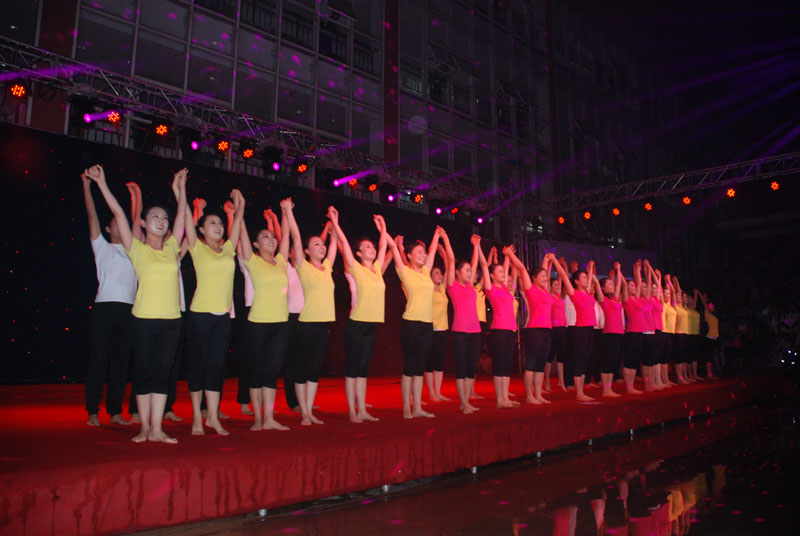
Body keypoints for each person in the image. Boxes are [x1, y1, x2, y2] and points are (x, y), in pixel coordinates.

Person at [86, 164, 187, 444]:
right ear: (142, 223)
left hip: (171, 322)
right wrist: (101, 183)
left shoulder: (172, 247)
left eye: (163, 218)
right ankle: (144, 428)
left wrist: (180, 190)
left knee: (162, 373)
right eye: (154, 216)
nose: (161, 220)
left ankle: (157, 428)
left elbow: (182, 217)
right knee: (143, 373)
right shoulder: (136, 249)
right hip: (143, 320)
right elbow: (119, 213)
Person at [183, 188, 244, 435]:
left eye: (220, 223)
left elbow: (237, 223)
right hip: (200, 315)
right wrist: (181, 191)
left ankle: (212, 417)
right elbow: (186, 220)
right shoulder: (197, 248)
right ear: (201, 229)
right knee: (198, 365)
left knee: (216, 367)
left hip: (223, 318)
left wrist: (240, 203)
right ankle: (197, 417)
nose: (218, 226)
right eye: (212, 223)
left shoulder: (228, 249)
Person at [81, 169, 137, 426]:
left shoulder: (135, 250)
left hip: (129, 311)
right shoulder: (101, 246)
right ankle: (92, 411)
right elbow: (92, 214)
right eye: (115, 221)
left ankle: (115, 412)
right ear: (107, 228)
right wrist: (86, 186)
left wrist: (135, 198)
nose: (119, 223)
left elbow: (134, 220)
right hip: (104, 309)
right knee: (98, 361)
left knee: (121, 363)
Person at [238, 197, 295, 430]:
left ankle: (269, 418)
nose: (271, 239)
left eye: (272, 237)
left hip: (280, 324)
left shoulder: (281, 261)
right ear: (255, 244)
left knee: (271, 372)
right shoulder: (252, 261)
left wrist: (285, 211)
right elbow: (240, 233)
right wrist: (239, 207)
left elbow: (287, 236)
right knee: (256, 371)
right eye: (265, 237)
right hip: (258, 324)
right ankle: (258, 419)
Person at [329, 213, 389, 423]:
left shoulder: (377, 270)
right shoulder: (353, 268)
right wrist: (335, 222)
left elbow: (383, 246)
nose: (372, 249)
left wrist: (383, 227)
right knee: (353, 368)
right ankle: (352, 412)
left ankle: (362, 409)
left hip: (372, 325)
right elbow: (344, 244)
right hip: (356, 324)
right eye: (366, 247)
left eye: (372, 246)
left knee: (363, 369)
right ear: (358, 253)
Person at [288, 205, 339, 425]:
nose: (322, 246)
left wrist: (334, 219)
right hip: (306, 324)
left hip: (323, 325)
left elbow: (335, 241)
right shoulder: (303, 266)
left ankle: (309, 410)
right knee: (302, 369)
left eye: (322, 243)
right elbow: (296, 237)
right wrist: (289, 212)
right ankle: (304, 414)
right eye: (316, 244)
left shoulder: (327, 267)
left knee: (314, 369)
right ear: (306, 251)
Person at [386, 227, 442, 418]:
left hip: (427, 325)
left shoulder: (426, 272)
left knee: (420, 367)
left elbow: (432, 251)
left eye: (423, 252)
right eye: (419, 252)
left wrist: (436, 235)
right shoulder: (404, 271)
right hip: (411, 323)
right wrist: (384, 230)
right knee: (409, 366)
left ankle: (417, 407)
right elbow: (394, 248)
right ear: (409, 256)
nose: (423, 255)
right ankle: (406, 407)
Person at [443, 233, 482, 414]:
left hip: (475, 331)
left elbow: (475, 263)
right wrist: (445, 238)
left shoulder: (470, 287)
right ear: (457, 272)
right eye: (465, 270)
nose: (469, 272)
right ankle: (463, 402)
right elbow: (451, 261)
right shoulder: (453, 286)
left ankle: (467, 401)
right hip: (460, 331)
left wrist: (476, 246)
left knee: (471, 367)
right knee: (461, 366)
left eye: (469, 271)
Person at [479, 244, 519, 408]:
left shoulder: (505, 288)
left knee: (507, 365)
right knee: (500, 364)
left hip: (510, 330)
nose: (503, 274)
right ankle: (500, 399)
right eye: (500, 272)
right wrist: (478, 247)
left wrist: (507, 255)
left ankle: (505, 398)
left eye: (504, 271)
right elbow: (484, 265)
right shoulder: (490, 288)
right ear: (492, 275)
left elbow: (509, 270)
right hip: (498, 331)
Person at [563, 261, 602, 401]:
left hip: (591, 329)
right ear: (576, 281)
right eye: (583, 278)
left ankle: (581, 391)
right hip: (580, 330)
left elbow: (590, 280)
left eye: (587, 278)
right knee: (579, 359)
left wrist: (590, 269)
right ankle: (579, 392)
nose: (586, 280)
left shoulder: (587, 293)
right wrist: (556, 262)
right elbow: (564, 277)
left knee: (585, 359)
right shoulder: (574, 293)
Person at [425, 244, 451, 402]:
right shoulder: (427, 288)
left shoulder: (442, 288)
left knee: (440, 362)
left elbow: (449, 268)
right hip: (431, 329)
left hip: (442, 329)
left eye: (440, 273)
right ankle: (431, 393)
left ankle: (438, 392)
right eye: (436, 273)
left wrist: (443, 254)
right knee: (430, 362)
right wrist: (433, 251)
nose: (440, 275)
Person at [597, 262, 624, 397]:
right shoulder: (603, 300)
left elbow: (619, 284)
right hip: (608, 333)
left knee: (613, 361)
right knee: (607, 362)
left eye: (612, 284)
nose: (612, 286)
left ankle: (609, 388)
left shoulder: (615, 300)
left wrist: (618, 270)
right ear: (603, 288)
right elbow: (597, 287)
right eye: (609, 284)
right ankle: (605, 389)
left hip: (618, 333)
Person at [621, 261, 648, 395]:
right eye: (631, 285)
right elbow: (624, 285)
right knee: (629, 361)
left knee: (635, 361)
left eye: (634, 285)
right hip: (631, 333)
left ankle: (631, 385)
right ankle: (628, 387)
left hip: (640, 333)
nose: (635, 287)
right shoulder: (627, 299)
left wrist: (637, 270)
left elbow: (639, 283)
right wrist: (620, 271)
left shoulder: (637, 299)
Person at [545, 258, 569, 392]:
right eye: (555, 285)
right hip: (553, 328)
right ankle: (547, 381)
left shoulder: (560, 297)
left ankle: (561, 381)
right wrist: (549, 265)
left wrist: (562, 265)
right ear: (550, 287)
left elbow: (562, 277)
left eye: (558, 285)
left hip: (562, 328)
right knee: (550, 356)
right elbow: (548, 279)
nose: (557, 286)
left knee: (561, 356)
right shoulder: (549, 296)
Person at [695, 290, 719, 379]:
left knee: (712, 356)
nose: (713, 306)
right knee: (709, 356)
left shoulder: (714, 315)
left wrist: (706, 298)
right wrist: (699, 294)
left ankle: (710, 373)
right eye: (711, 306)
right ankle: (709, 374)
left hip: (714, 337)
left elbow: (707, 302)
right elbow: (705, 303)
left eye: (713, 306)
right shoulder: (708, 314)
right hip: (709, 337)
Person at [661, 276, 679, 386]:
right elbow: (670, 291)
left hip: (672, 333)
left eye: (669, 294)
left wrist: (670, 282)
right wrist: (666, 281)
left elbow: (673, 292)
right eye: (666, 294)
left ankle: (666, 379)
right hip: (664, 333)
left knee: (667, 358)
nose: (668, 295)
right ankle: (663, 379)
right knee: (663, 358)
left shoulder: (671, 305)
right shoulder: (663, 304)